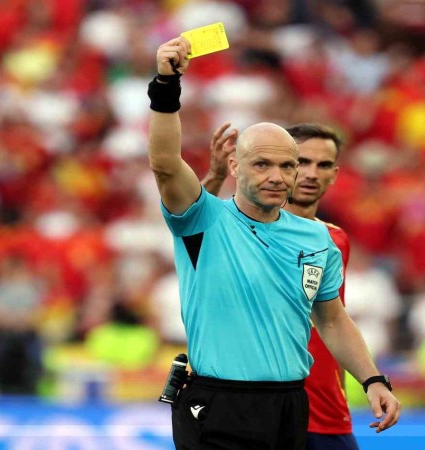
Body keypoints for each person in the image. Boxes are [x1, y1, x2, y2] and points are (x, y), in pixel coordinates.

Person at [147, 36, 400, 450]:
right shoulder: (203, 220)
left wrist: (373, 380)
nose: (276, 177)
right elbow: (164, 163)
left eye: (287, 166)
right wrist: (166, 84)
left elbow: (331, 319)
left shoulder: (317, 237)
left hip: (288, 405)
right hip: (218, 403)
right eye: (262, 164)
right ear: (234, 165)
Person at [203, 122, 359, 449]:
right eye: (302, 162)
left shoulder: (332, 240)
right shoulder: (236, 230)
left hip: (325, 412)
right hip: (256, 405)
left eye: (323, 165)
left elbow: (331, 322)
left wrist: (354, 389)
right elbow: (193, 217)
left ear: (335, 174)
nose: (311, 174)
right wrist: (214, 177)